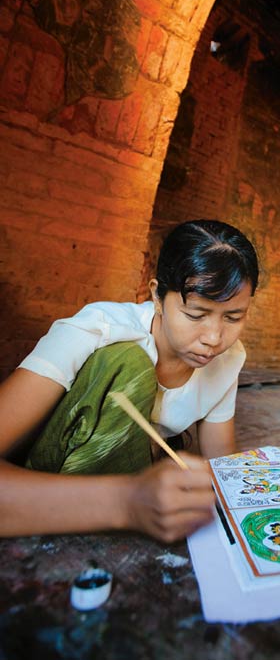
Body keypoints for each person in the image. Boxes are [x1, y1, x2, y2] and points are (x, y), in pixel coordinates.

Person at [0, 219, 259, 542]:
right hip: (46, 486)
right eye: (196, 314)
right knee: (127, 363)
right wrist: (127, 502)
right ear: (157, 296)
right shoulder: (98, 330)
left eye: (234, 317)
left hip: (133, 488)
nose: (214, 337)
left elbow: (222, 467)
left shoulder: (228, 357)